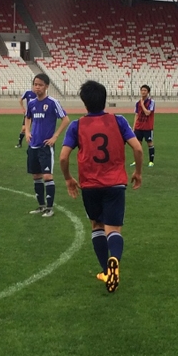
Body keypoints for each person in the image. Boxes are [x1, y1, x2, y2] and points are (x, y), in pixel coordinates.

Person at [59, 80, 143, 293]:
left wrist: (69, 178)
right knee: (113, 229)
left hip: (90, 185)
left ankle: (107, 270)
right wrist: (138, 172)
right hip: (115, 183)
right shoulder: (119, 121)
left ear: (84, 103)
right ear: (105, 99)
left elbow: (63, 157)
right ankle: (115, 259)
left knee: (97, 226)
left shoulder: (76, 126)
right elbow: (138, 149)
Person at [25, 73, 70, 217]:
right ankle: (41, 206)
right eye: (35, 84)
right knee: (36, 176)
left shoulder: (52, 102)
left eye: (40, 85)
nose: (37, 87)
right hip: (33, 145)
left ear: (46, 87)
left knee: (47, 176)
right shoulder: (31, 103)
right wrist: (27, 132)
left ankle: (49, 208)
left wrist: (55, 136)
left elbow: (65, 119)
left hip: (46, 146)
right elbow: (27, 118)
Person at [130, 84, 155, 167]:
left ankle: (151, 161)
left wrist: (142, 104)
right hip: (139, 127)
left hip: (147, 126)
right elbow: (136, 115)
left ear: (148, 92)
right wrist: (134, 128)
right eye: (142, 90)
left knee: (149, 143)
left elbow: (148, 113)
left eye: (145, 90)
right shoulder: (137, 103)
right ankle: (137, 161)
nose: (143, 92)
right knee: (137, 145)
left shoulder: (151, 102)